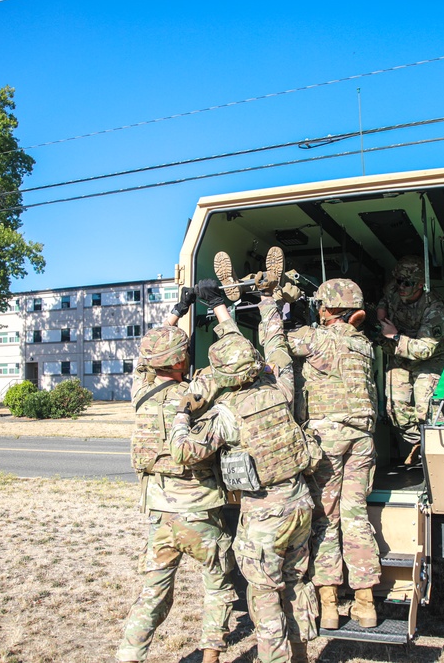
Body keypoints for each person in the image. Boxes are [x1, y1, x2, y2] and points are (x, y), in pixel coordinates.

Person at [168, 275, 319, 663]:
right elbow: (275, 347)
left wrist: (184, 413)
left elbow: (184, 452)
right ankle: (301, 652)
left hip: (263, 513)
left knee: (264, 593)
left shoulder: (226, 413)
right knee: (295, 581)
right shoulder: (278, 387)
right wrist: (236, 308)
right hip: (300, 502)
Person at [116, 288, 235, 663]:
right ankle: (211, 654)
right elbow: (236, 357)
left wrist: (177, 311)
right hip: (200, 512)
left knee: (153, 591)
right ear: (183, 359)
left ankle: (129, 655)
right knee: (217, 584)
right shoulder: (196, 395)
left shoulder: (141, 392)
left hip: (159, 515)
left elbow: (145, 355)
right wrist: (219, 309)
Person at [255, 276, 381, 630]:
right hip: (363, 438)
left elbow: (275, 345)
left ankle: (329, 604)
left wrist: (272, 305)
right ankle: (365, 603)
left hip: (328, 439)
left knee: (327, 518)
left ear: (325, 309)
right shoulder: (363, 344)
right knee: (357, 518)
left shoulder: (315, 337)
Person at [376, 255, 444, 464]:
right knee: (396, 411)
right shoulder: (394, 288)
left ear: (421, 284)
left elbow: (425, 349)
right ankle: (421, 443)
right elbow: (385, 297)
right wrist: (381, 310)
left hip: (427, 357)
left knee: (426, 407)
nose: (401, 287)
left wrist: (396, 336)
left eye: (407, 283)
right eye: (399, 281)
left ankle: (439, 454)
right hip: (399, 355)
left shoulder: (434, 307)